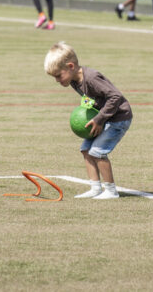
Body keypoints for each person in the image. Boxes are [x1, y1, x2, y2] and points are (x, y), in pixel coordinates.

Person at [44, 41, 133, 200]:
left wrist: (98, 119)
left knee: (97, 152)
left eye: (58, 75)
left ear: (71, 66)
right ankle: (95, 188)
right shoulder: (74, 81)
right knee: (86, 149)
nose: (57, 80)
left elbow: (115, 97)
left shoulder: (91, 78)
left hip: (118, 117)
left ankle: (111, 191)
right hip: (105, 117)